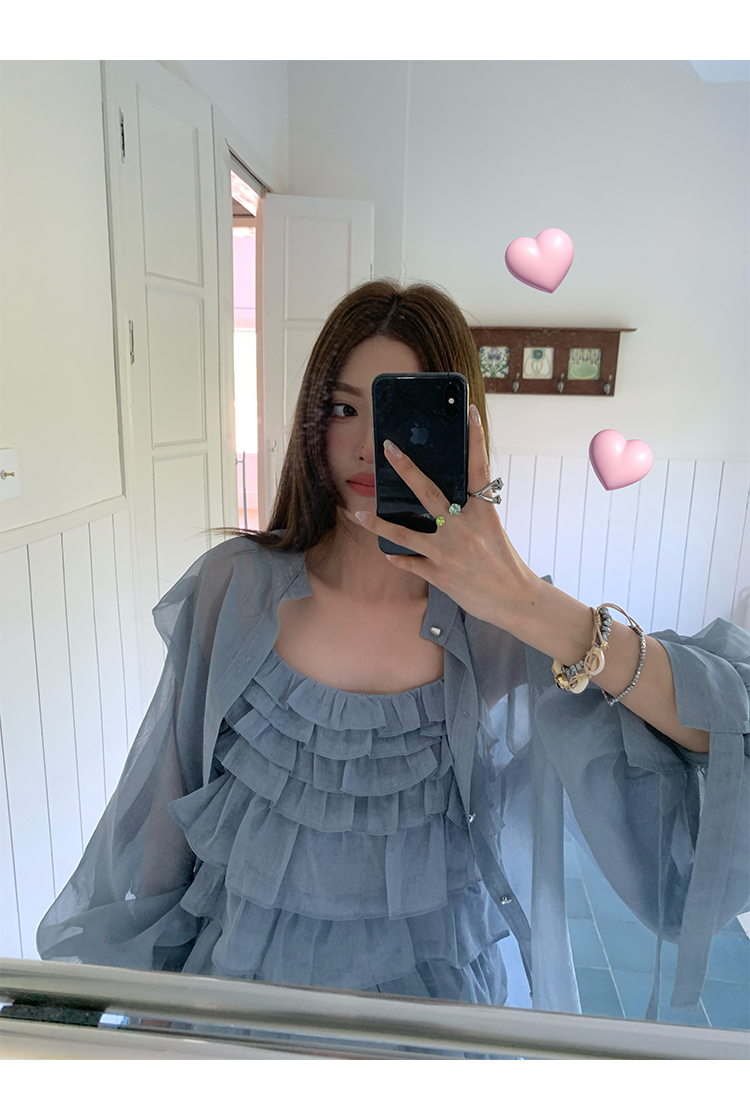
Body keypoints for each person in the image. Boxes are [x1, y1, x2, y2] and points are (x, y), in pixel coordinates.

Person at [37, 280, 749, 1039]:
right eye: (343, 408)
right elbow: (166, 806)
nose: (369, 446)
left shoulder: (499, 630)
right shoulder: (233, 588)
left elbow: (727, 724)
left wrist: (525, 601)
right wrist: (149, 999)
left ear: (463, 431)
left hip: (427, 1025)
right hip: (233, 1002)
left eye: (402, 414)